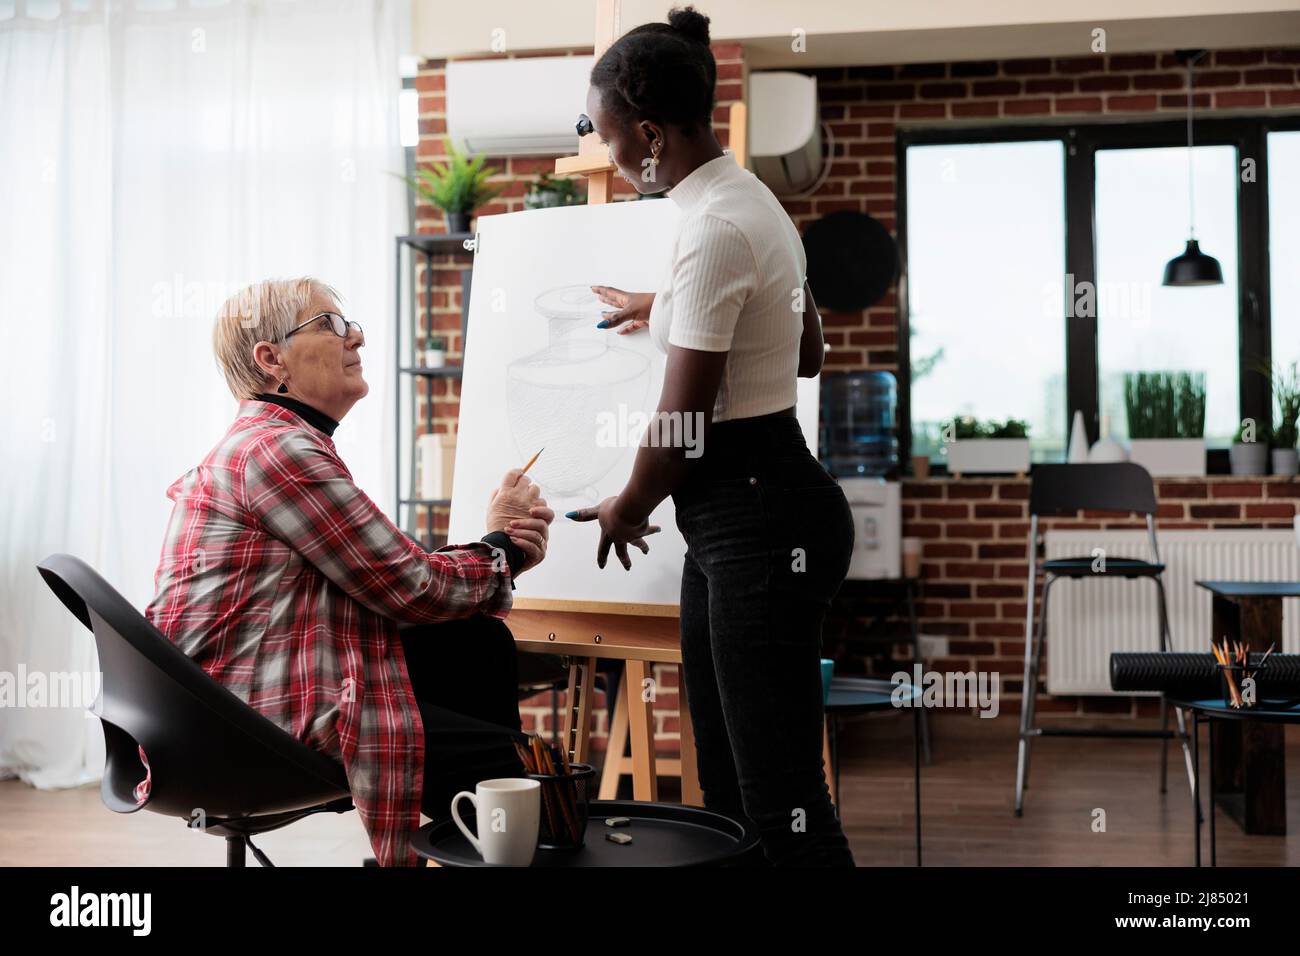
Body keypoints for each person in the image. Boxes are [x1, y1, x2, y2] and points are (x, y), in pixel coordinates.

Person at [568, 6, 856, 866]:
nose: (606, 154)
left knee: (781, 799)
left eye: (607, 134)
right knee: (732, 786)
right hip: (759, 514)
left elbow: (687, 426)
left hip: (755, 518)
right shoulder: (750, 200)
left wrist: (624, 506)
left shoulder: (710, 230)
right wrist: (669, 311)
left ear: (650, 133)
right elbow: (803, 350)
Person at [142, 277, 554, 865]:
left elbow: (392, 577)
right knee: (524, 774)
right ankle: (501, 813)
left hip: (220, 707)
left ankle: (477, 834)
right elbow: (411, 586)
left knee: (476, 643)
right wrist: (504, 551)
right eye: (332, 325)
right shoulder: (277, 451)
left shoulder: (272, 442)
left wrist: (494, 552)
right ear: (271, 360)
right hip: (237, 726)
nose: (356, 334)